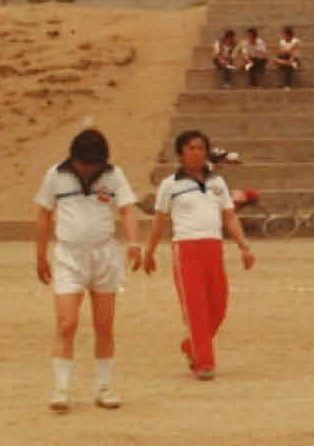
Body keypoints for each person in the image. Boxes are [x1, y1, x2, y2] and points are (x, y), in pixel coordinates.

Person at [33, 128, 142, 413]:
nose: (88, 170)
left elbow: (127, 209)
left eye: (94, 165)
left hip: (104, 256)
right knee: (67, 323)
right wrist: (40, 256)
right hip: (69, 256)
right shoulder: (56, 175)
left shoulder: (114, 175)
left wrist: (133, 243)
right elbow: (44, 214)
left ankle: (105, 388)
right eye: (84, 164)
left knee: (104, 325)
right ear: (74, 158)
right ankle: (60, 389)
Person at [143, 129, 255, 380]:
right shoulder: (170, 185)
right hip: (186, 249)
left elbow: (229, 216)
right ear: (181, 153)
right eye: (191, 148)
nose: (196, 153)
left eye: (201, 148)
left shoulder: (217, 183)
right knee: (196, 308)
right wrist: (149, 251)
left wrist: (244, 246)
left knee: (219, 305)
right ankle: (204, 363)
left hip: (213, 248)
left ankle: (191, 345)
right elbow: (159, 221)